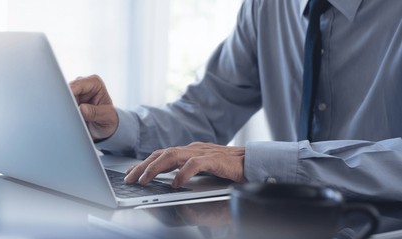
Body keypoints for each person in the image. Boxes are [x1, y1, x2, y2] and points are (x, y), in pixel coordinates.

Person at [69, 0, 402, 201]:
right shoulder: (269, 6)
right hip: (283, 233)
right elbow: (206, 112)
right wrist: (116, 126)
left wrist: (259, 162)